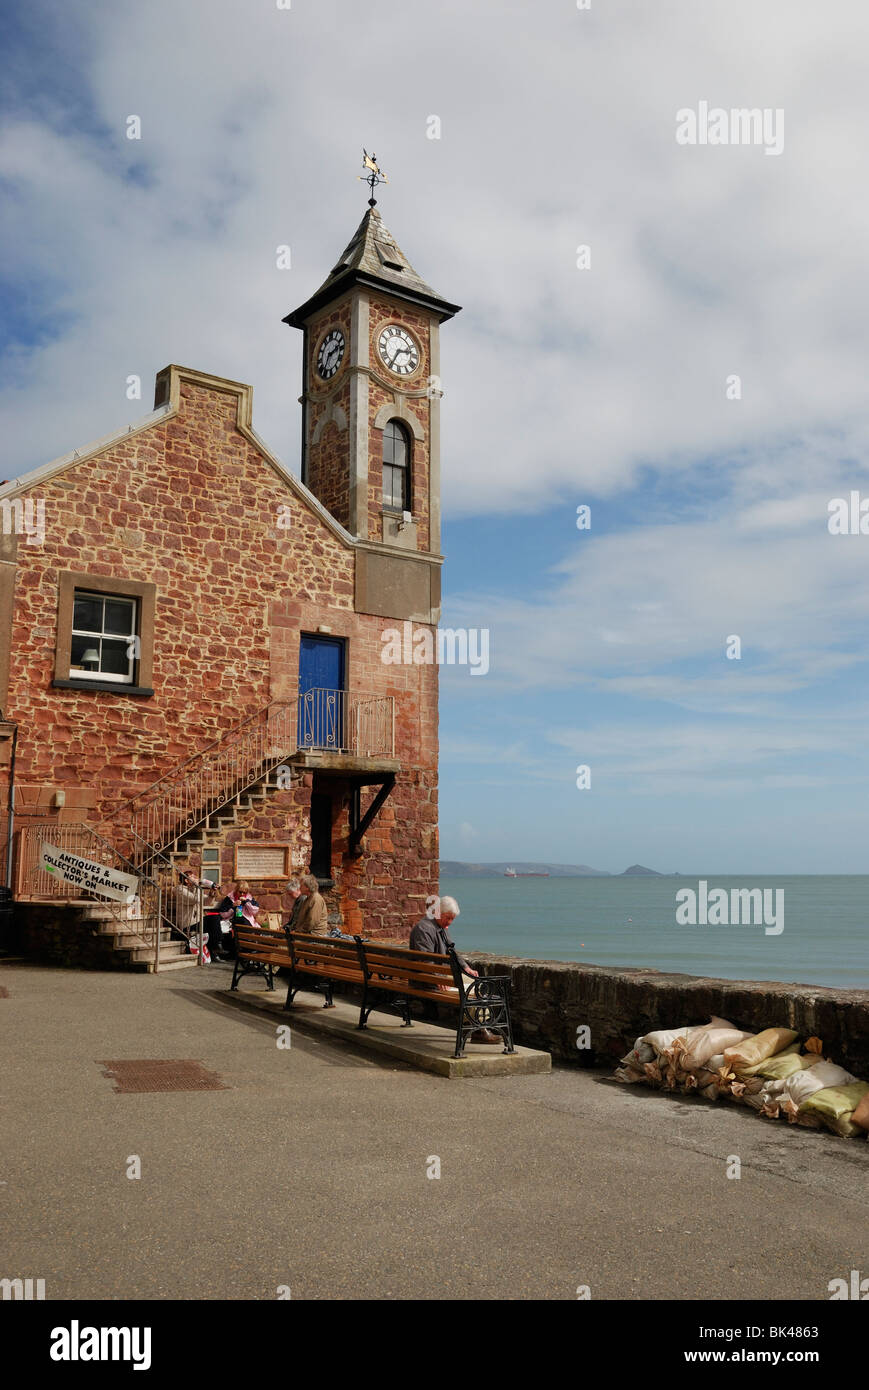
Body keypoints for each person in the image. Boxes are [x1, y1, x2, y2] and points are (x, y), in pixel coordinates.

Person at [409, 895, 500, 1043]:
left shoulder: (439, 927)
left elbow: (452, 951)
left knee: (476, 982)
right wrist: (437, 976)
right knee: (471, 988)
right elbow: (424, 960)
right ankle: (478, 1029)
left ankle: (478, 1025)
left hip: (436, 976)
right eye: (447, 918)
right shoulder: (424, 929)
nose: (449, 922)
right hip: (427, 979)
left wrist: (465, 967)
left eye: (452, 919)